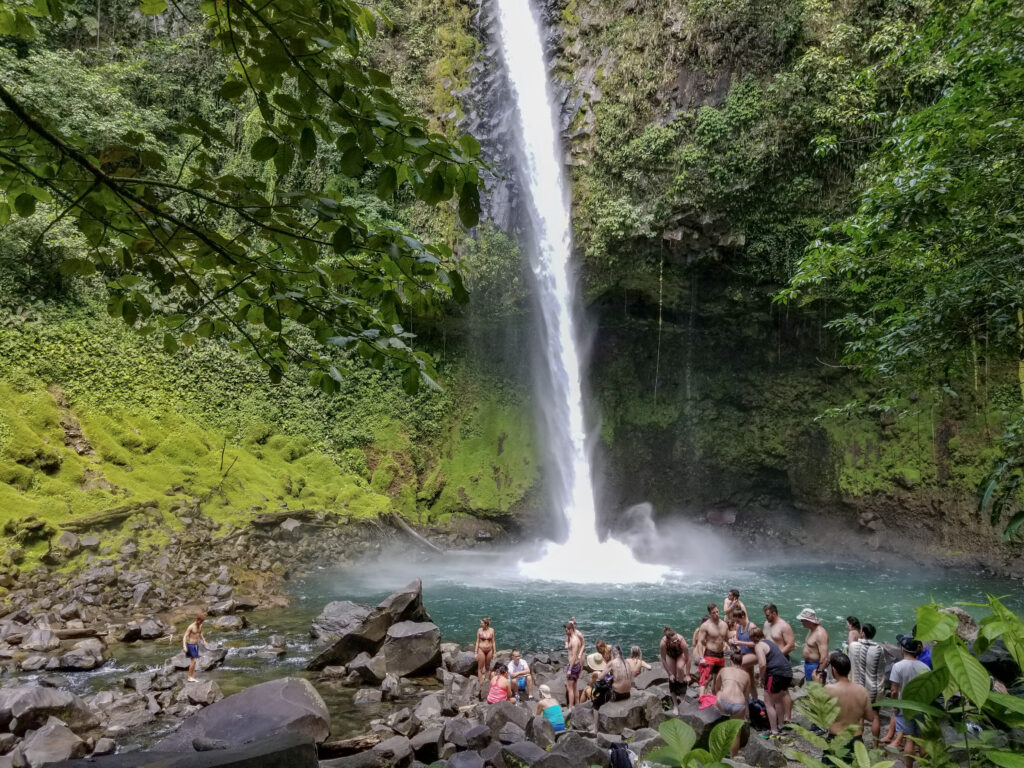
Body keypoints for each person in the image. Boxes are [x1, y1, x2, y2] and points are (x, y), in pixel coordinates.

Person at [824, 651, 880, 752]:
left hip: (836, 738)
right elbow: (871, 717)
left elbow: (817, 711)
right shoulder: (861, 690)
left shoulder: (828, 689)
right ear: (849, 670)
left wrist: (816, 684)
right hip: (856, 740)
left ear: (834, 670)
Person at [888, 637, 930, 768]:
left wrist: (895, 705)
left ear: (902, 649)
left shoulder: (898, 666)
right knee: (922, 739)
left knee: (909, 739)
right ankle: (924, 765)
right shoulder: (925, 667)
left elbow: (894, 690)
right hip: (920, 706)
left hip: (904, 707)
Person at [752, 626, 792, 739]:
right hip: (787, 672)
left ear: (752, 639)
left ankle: (773, 731)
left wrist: (761, 677)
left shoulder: (758, 646)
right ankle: (780, 726)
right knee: (778, 701)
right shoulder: (769, 642)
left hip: (775, 674)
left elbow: (762, 664)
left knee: (768, 702)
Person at [714, 651, 753, 756]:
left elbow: (717, 687)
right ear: (741, 662)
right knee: (736, 733)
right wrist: (746, 714)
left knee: (719, 726)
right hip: (738, 705)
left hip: (722, 701)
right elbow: (746, 696)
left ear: (730, 660)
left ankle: (718, 752)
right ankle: (733, 757)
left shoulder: (723, 670)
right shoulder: (746, 675)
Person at [694, 603, 728, 695]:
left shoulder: (724, 624)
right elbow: (700, 642)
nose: (716, 614)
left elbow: (727, 639)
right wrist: (701, 658)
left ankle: (715, 699)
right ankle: (701, 698)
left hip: (720, 655)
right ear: (710, 614)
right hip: (710, 654)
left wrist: (734, 644)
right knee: (705, 677)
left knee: (718, 680)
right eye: (713, 613)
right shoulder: (705, 625)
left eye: (717, 612)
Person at [849, 623, 886, 703]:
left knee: (859, 714)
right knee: (874, 713)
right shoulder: (879, 649)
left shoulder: (853, 646)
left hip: (857, 690)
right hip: (875, 691)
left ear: (863, 633)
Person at [660, 626, 692, 715]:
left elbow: (688, 658)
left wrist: (688, 674)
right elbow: (663, 659)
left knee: (680, 668)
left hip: (680, 654)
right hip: (670, 655)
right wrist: (670, 674)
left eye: (676, 639)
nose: (676, 641)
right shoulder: (663, 643)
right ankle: (675, 705)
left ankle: (682, 698)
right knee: (673, 678)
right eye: (673, 641)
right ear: (668, 640)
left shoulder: (681, 640)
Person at [798, 608, 829, 685]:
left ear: (809, 621)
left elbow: (824, 657)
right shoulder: (811, 629)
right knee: (810, 689)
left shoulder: (820, 634)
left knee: (816, 690)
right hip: (808, 664)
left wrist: (818, 672)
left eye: (803, 620)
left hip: (815, 666)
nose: (801, 621)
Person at [731, 606, 759, 688]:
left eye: (738, 620)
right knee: (750, 680)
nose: (737, 622)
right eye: (735, 621)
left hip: (754, 654)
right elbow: (736, 637)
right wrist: (734, 641)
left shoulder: (751, 626)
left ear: (743, 617)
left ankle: (736, 689)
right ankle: (753, 698)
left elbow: (757, 643)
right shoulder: (738, 627)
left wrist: (740, 643)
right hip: (744, 654)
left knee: (738, 665)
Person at [564, 619, 585, 707]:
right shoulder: (571, 637)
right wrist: (567, 645)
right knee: (575, 686)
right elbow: (568, 643)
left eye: (567, 631)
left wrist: (569, 668)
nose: (566, 632)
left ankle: (570, 708)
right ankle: (577, 704)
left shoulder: (575, 640)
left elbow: (573, 656)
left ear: (571, 629)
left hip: (574, 665)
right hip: (576, 665)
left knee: (570, 688)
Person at [182, 614, 207, 683]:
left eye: (202, 621)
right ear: (197, 620)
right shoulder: (191, 627)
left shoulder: (200, 625)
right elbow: (184, 636)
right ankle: (189, 677)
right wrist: (184, 646)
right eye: (201, 621)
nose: (201, 623)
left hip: (196, 645)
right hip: (190, 645)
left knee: (194, 662)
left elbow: (200, 633)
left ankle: (192, 676)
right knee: (194, 661)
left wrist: (204, 640)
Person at [475, 618, 495, 689]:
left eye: (482, 623)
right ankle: (480, 684)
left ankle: (486, 682)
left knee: (487, 667)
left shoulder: (492, 630)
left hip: (489, 650)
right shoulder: (479, 630)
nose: (481, 624)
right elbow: (477, 641)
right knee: (480, 668)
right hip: (481, 649)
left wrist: (494, 652)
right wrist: (476, 652)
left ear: (486, 624)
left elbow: (493, 641)